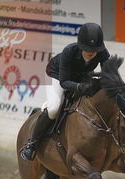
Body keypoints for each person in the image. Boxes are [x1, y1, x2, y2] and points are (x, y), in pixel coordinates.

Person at [20, 22, 110, 161]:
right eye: (87, 49)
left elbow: (109, 75)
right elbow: (64, 82)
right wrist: (80, 87)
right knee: (54, 109)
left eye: (95, 49)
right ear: (80, 46)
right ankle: (32, 144)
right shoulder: (69, 51)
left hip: (81, 76)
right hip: (57, 75)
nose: (92, 52)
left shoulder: (102, 53)